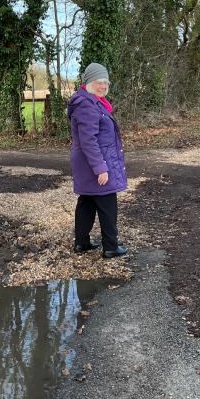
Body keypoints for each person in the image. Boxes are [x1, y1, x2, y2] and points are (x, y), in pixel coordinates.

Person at [67, 63, 127, 258]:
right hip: (95, 162)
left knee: (87, 201)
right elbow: (88, 140)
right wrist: (101, 168)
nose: (103, 86)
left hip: (88, 163)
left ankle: (81, 243)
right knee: (108, 202)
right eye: (99, 82)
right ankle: (110, 247)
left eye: (105, 82)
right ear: (89, 82)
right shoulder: (87, 105)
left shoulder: (92, 101)